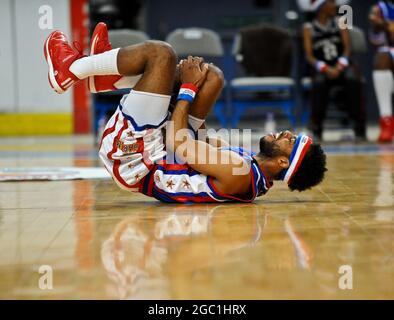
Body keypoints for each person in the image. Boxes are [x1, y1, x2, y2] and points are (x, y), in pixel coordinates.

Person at [43, 23, 327, 204]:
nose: (288, 133)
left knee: (161, 55)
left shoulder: (239, 173)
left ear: (281, 161)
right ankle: (105, 74)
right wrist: (194, 91)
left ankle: (72, 69)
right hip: (163, 151)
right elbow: (196, 143)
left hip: (135, 160)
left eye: (291, 141)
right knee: (213, 76)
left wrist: (188, 88)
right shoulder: (249, 166)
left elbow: (177, 143)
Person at [303, 0, 366, 142]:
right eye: (331, 3)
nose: (335, 5)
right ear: (321, 7)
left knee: (352, 79)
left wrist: (340, 66)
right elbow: (309, 56)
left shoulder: (340, 21)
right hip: (322, 67)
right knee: (319, 82)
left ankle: (359, 127)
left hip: (341, 65)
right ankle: (317, 128)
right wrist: (325, 68)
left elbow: (347, 48)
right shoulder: (308, 27)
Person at [369, 0, 394, 143]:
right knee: (381, 57)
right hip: (389, 50)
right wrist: (380, 26)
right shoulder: (380, 8)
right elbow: (375, 41)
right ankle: (386, 120)